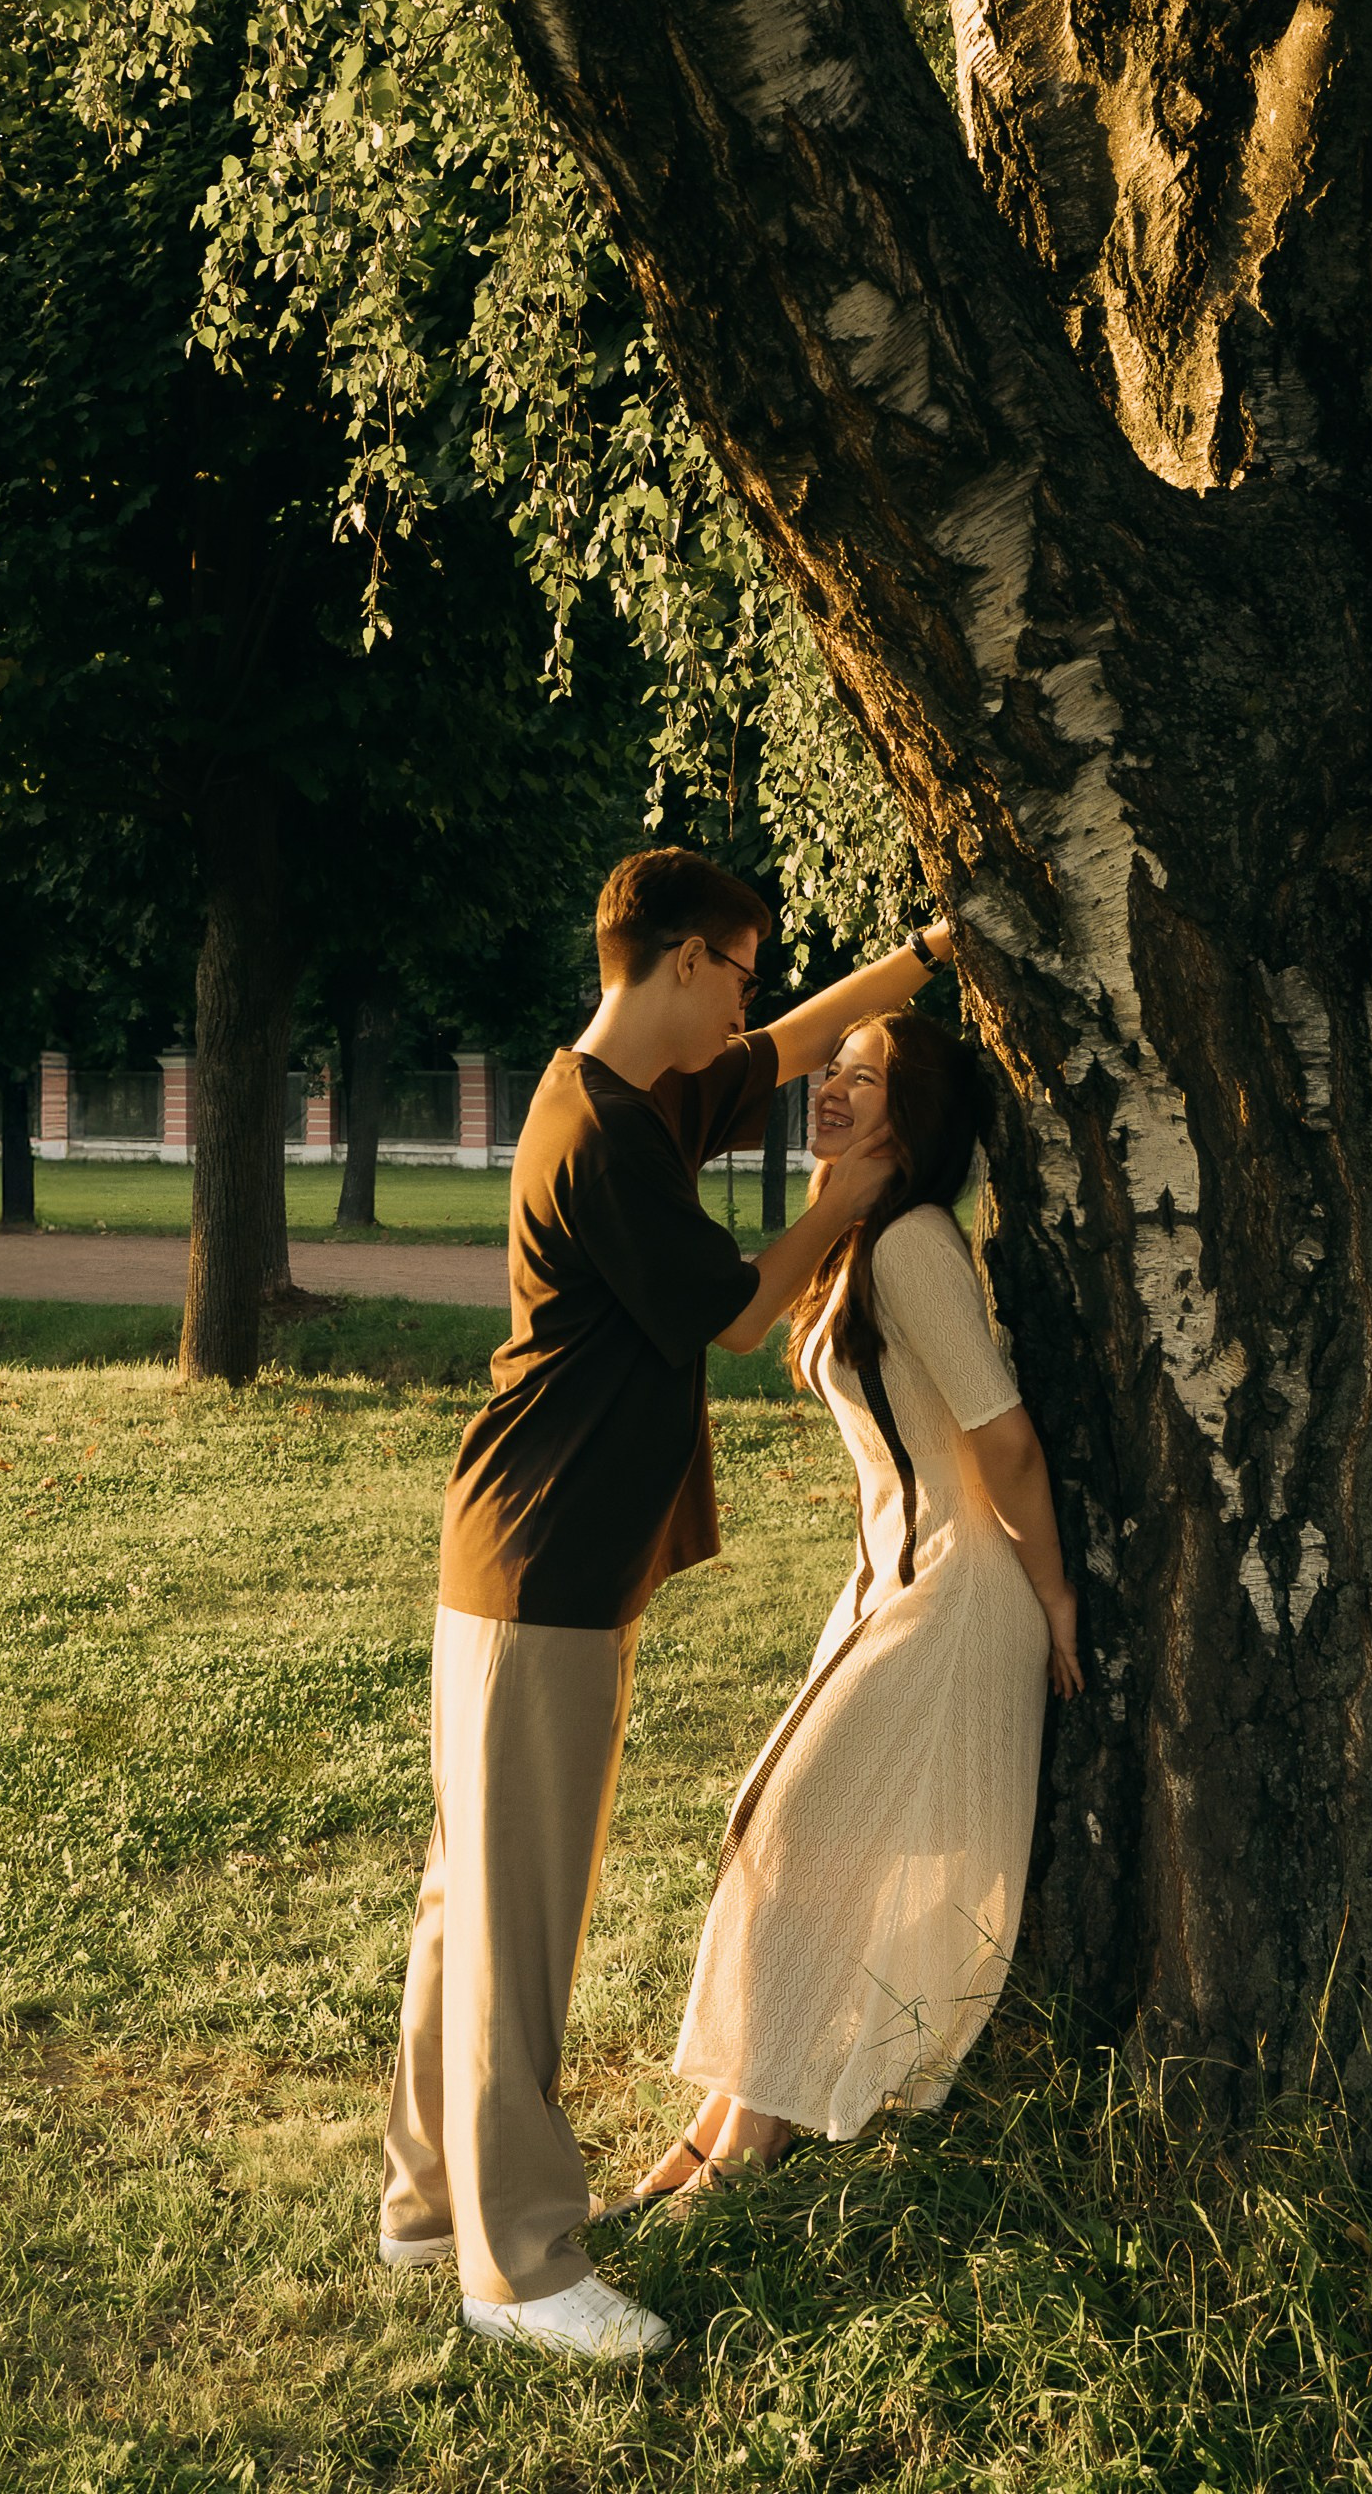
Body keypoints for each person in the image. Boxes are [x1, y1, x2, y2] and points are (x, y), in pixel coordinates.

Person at [377, 847, 960, 2361]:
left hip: (514, 1558)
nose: (756, 1010)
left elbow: (772, 1054)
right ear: (687, 958)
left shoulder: (627, 1093)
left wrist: (927, 954)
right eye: (746, 969)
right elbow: (741, 1308)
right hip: (542, 1570)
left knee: (465, 1901)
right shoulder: (600, 1140)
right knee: (515, 1922)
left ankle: (424, 2207)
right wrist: (850, 1199)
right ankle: (517, 2272)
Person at [634, 1008, 1082, 2204]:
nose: (828, 1086)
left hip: (961, 1593)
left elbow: (1005, 1443)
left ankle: (750, 2147)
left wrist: (1051, 1594)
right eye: (828, 1069)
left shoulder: (912, 1246)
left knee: (789, 1835)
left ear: (911, 1113)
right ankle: (720, 2123)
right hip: (888, 1585)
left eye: (863, 1076)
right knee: (778, 1834)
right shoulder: (859, 1238)